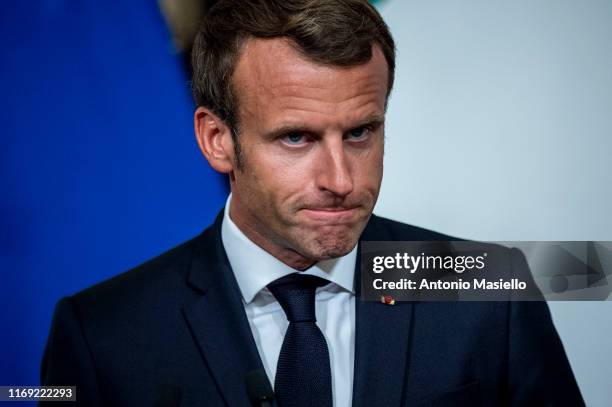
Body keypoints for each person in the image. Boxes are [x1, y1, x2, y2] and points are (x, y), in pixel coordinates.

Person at [41, 0, 584, 406]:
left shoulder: (487, 285)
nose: (341, 180)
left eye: (360, 132)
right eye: (297, 137)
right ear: (217, 140)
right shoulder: (100, 334)